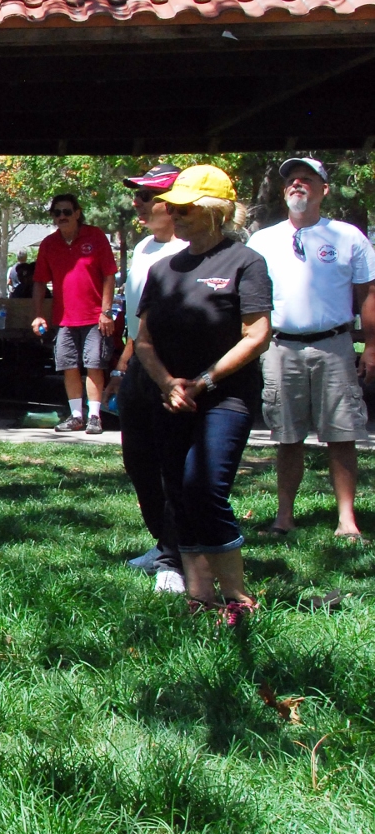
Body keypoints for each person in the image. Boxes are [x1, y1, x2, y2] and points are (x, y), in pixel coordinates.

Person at [135, 165, 271, 623]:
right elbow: (145, 341)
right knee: (177, 489)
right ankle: (199, 597)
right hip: (172, 396)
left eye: (186, 207)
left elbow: (256, 335)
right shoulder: (161, 268)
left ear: (216, 212)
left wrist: (204, 381)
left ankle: (236, 596)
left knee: (205, 486)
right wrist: (167, 383)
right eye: (173, 206)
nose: (176, 214)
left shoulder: (245, 262)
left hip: (225, 396)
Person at [246, 157, 375, 539]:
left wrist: (370, 346)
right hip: (280, 347)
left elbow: (368, 293)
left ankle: (347, 521)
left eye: (306, 179)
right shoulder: (262, 240)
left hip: (334, 345)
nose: (297, 185)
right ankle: (283, 517)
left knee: (342, 433)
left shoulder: (348, 236)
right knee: (287, 436)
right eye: (291, 180)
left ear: (324, 190)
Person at [108, 164, 189, 590]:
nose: (136, 204)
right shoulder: (142, 249)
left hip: (175, 368)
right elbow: (139, 320)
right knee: (138, 460)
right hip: (140, 364)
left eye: (146, 197)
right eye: (137, 196)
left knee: (171, 463)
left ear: (174, 204)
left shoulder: (190, 251)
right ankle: (163, 542)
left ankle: (176, 559)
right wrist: (124, 363)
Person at [31, 194, 118, 434]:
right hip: (64, 319)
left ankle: (95, 416)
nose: (61, 217)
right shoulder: (49, 244)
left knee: (94, 365)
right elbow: (39, 281)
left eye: (67, 212)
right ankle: (76, 415)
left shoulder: (96, 236)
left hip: (94, 317)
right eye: (57, 213)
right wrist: (38, 314)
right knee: (68, 366)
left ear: (77, 213)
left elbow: (109, 275)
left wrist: (106, 311)